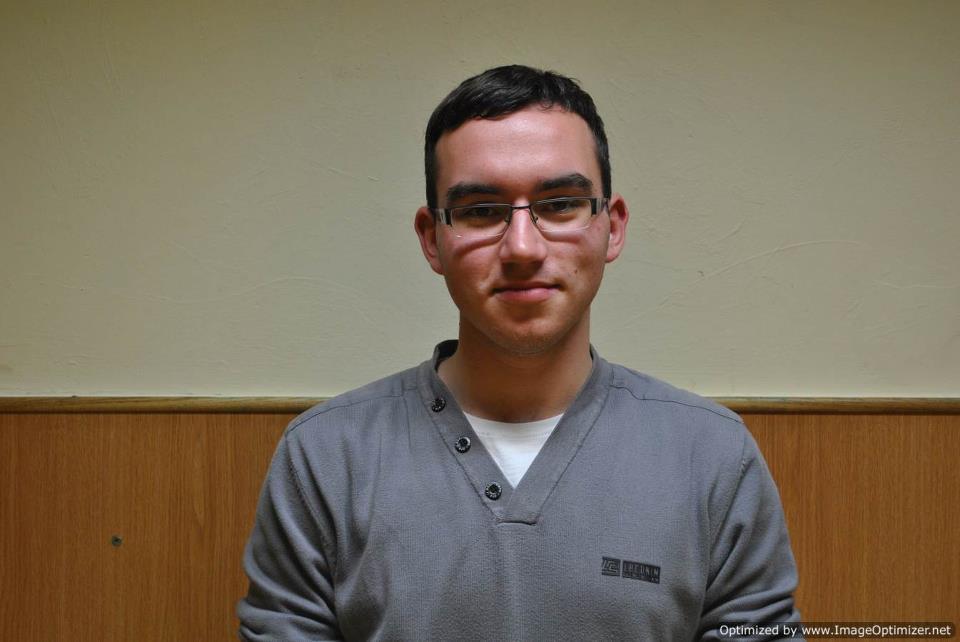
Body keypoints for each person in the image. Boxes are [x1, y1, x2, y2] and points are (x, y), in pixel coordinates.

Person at [237, 64, 801, 641]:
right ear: (432, 239)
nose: (523, 248)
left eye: (560, 204)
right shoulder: (326, 458)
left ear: (612, 226)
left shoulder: (710, 456)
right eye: (482, 211)